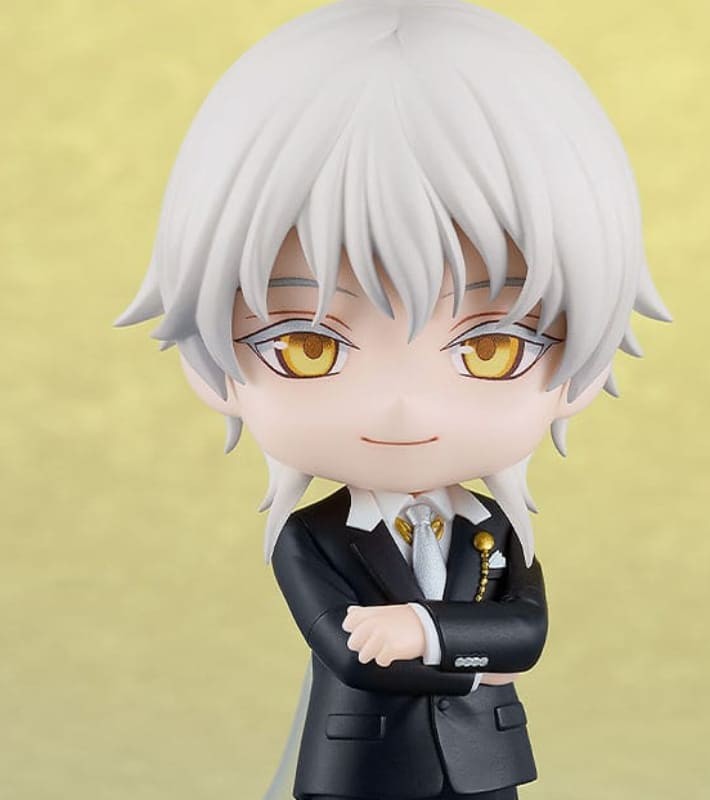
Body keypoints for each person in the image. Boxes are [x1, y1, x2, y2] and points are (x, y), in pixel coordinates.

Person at [116, 1, 670, 797]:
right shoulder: (310, 539)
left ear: (582, 361)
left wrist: (417, 630)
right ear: (212, 365)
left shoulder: (495, 528)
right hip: (361, 773)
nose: (404, 406)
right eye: (308, 348)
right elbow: (351, 656)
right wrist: (471, 657)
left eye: (490, 348)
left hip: (487, 770)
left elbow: (528, 632)